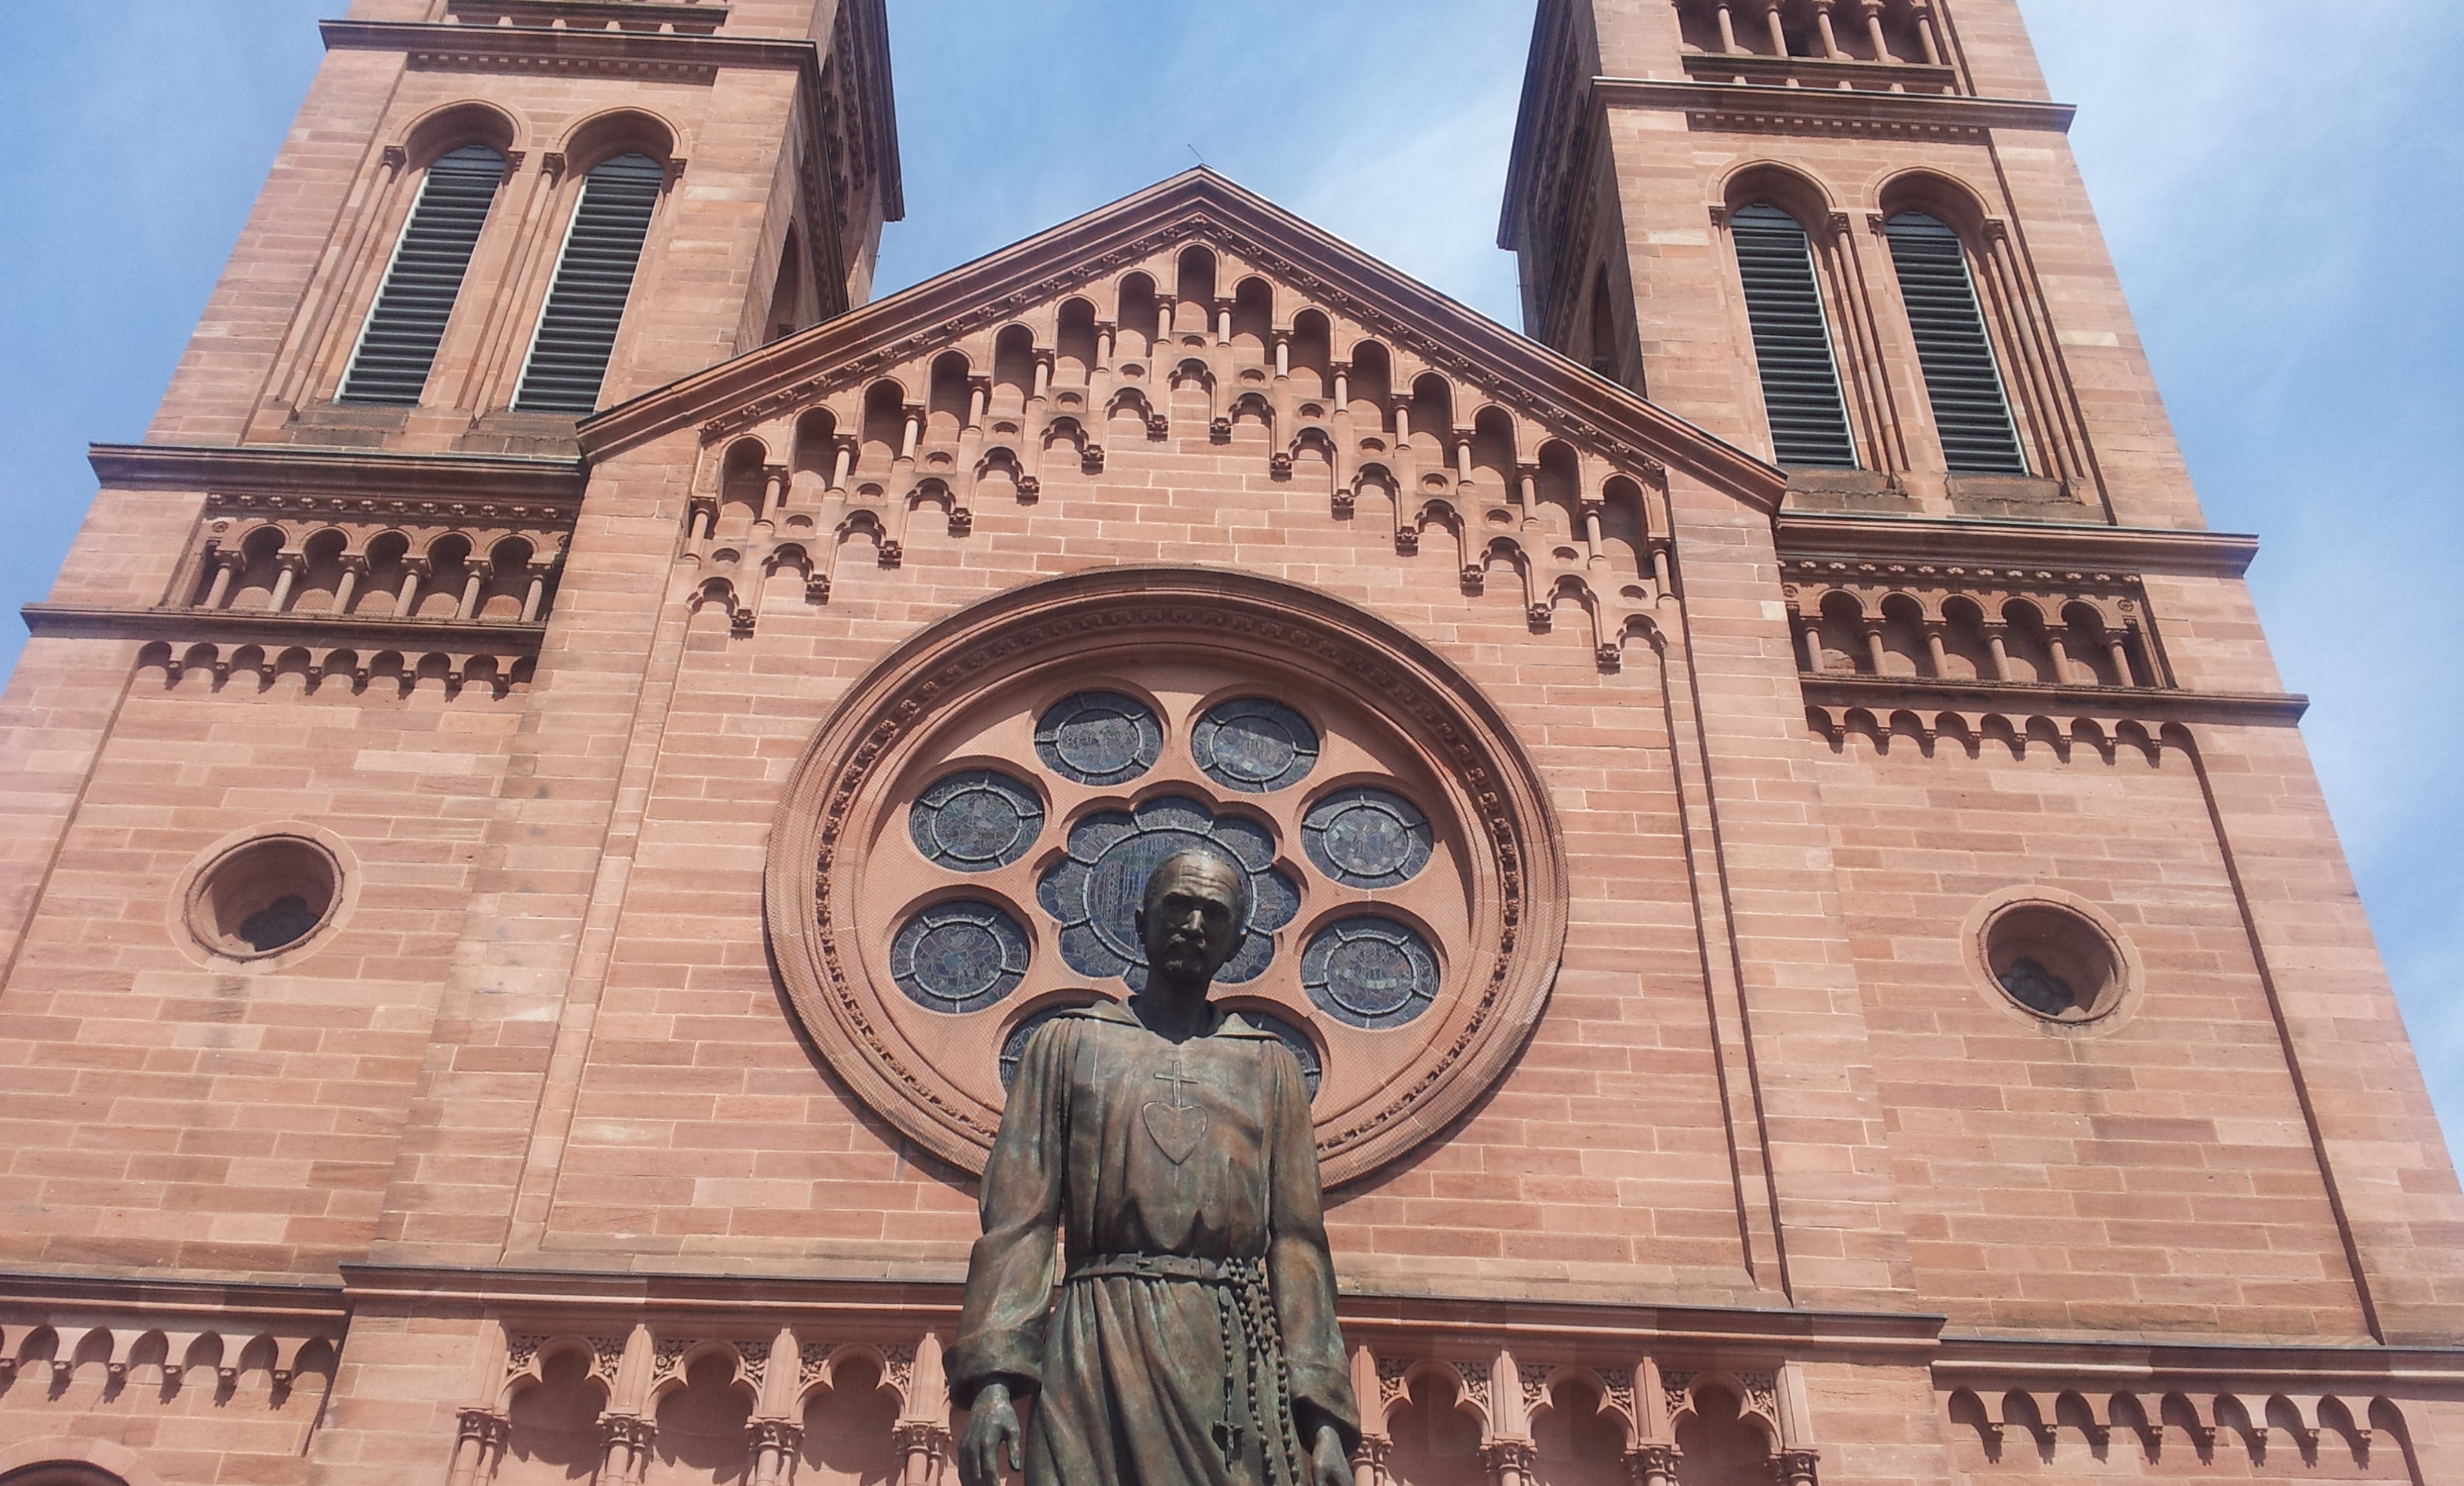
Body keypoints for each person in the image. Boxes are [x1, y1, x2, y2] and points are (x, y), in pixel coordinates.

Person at [949, 848, 1359, 1486]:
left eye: (1213, 914)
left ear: (1237, 942)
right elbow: (1019, 1221)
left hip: (1227, 1349)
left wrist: (1324, 1419)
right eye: (1178, 906)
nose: (1193, 924)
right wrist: (994, 1384)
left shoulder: (1269, 1067)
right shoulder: (1066, 1046)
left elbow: (1300, 1247)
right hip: (1094, 1337)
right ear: (1141, 922)